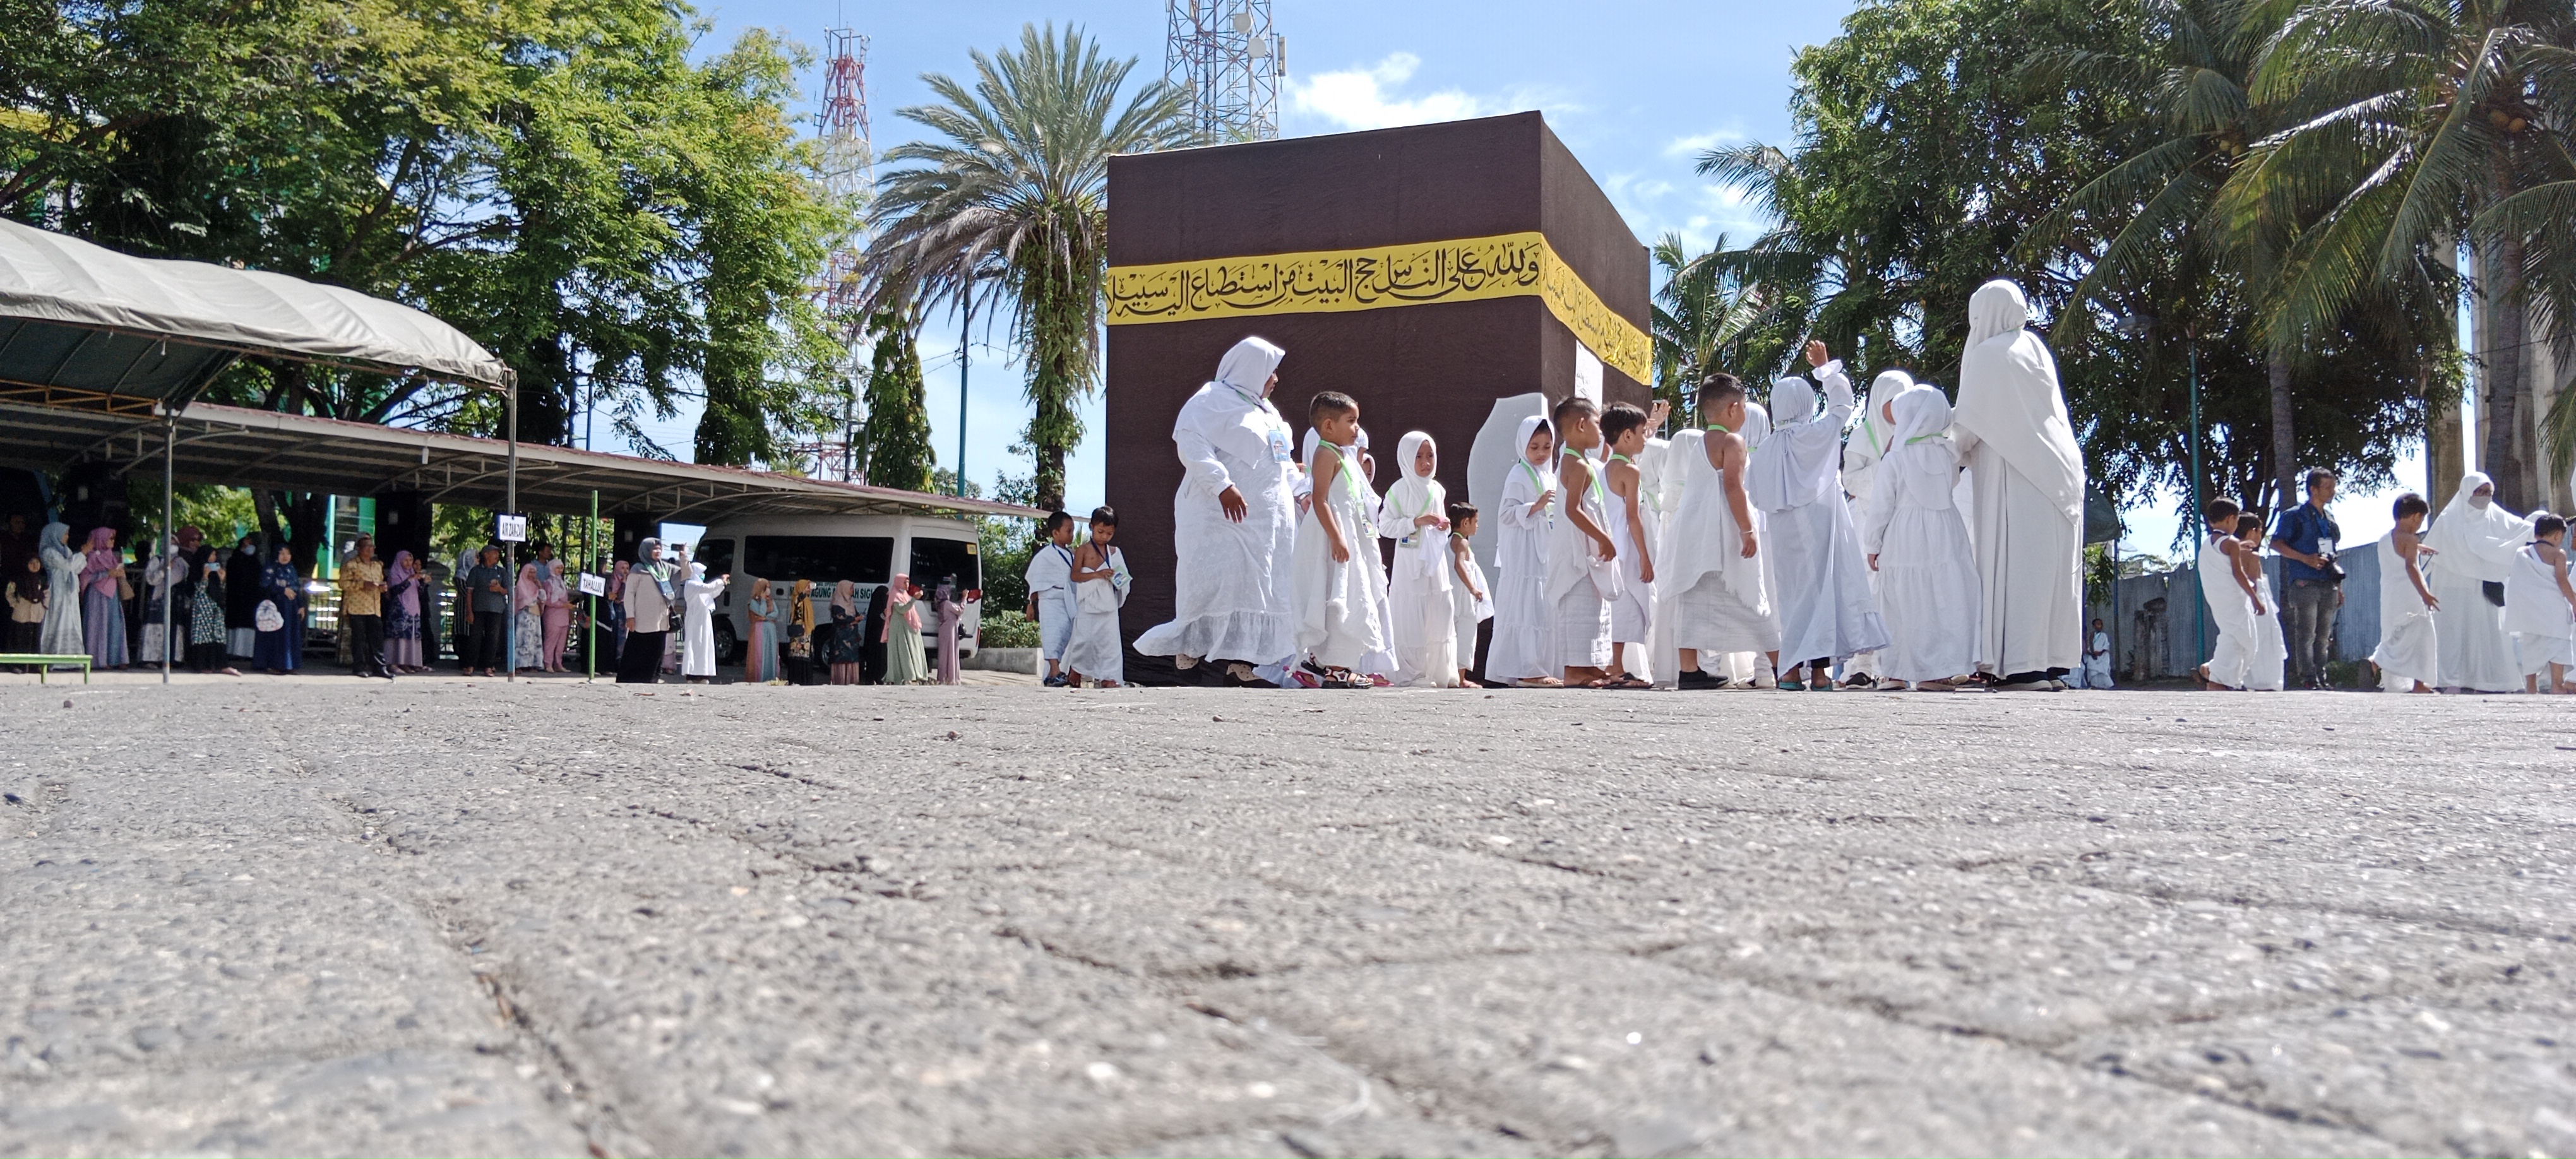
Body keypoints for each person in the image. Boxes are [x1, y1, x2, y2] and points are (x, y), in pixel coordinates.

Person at [1135, 336, 1299, 686]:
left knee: (1256, 587)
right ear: (1250, 369)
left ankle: (1241, 665)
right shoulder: (1210, 400)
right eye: (1270, 371)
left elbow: (1282, 463)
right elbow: (1192, 445)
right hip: (1218, 517)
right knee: (1213, 584)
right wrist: (1222, 485)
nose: (1275, 379)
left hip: (1265, 525)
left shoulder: (1270, 414)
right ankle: (1188, 658)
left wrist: (1301, 493)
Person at [1952, 280, 2085, 691]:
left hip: (2020, 477)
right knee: (2051, 572)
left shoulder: (1990, 356)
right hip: (2058, 474)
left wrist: (1929, 451)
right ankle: (2049, 665)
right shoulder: (2035, 350)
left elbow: (1967, 427)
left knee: (2020, 569)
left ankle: (2022, 667)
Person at [1748, 344, 1890, 691]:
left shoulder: (1764, 448)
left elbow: (1755, 491)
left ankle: (1791, 672)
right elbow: (1843, 405)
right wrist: (1826, 370)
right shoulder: (1818, 435)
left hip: (1783, 535)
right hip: (1821, 529)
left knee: (1792, 598)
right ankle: (1820, 673)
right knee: (1822, 596)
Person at [1854, 383, 1981, 692]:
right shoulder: (1948, 454)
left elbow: (1882, 507)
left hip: (1904, 536)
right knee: (1939, 602)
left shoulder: (1895, 459)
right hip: (1945, 533)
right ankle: (1933, 673)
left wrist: (1872, 544)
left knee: (1898, 604)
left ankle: (1894, 672)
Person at [1668, 374, 1775, 688]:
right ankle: (1783, 666)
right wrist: (1747, 530)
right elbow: (1733, 487)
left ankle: (1689, 670)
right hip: (1722, 530)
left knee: (1694, 599)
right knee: (1749, 594)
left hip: (1694, 529)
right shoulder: (1733, 442)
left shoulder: (1699, 442)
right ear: (1733, 408)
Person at [1288, 391, 1388, 688]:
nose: (1357, 428)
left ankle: (1325, 661)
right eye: (1351, 421)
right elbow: (1320, 500)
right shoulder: (1326, 454)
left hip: (1350, 537)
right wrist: (1336, 538)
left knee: (1347, 592)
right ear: (1329, 426)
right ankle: (1338, 667)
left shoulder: (1344, 455)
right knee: (1340, 595)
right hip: (1334, 539)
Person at [2421, 471, 2530, 692]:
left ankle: (2488, 682)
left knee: (2486, 636)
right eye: (2479, 492)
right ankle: (2448, 681)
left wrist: (2551, 527)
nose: (2484, 496)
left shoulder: (2497, 517)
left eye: (2488, 492)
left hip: (2483, 589)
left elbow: (2525, 530)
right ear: (2466, 492)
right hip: (2452, 589)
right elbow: (2427, 556)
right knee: (2452, 637)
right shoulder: (2448, 521)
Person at [1544, 397, 1619, 688]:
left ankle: (1589, 666)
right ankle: (1575, 670)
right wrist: (1603, 538)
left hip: (1585, 549)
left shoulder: (1579, 461)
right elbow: (1572, 509)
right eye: (1597, 424)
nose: (1601, 432)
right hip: (1577, 550)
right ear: (1580, 425)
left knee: (1592, 607)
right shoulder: (1577, 465)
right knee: (1579, 606)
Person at [1375, 434, 1458, 688]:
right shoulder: (1399, 490)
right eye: (1419, 457)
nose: (1426, 463)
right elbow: (1385, 526)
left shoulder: (1437, 489)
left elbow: (1441, 521)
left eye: (1430, 455)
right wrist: (1414, 522)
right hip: (1410, 564)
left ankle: (1441, 671)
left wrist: (1443, 525)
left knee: (1440, 611)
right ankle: (1411, 673)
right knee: (1412, 616)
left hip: (1434, 561)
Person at [1488, 414, 1560, 687]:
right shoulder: (1518, 474)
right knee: (1527, 607)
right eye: (1535, 447)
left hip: (1545, 550)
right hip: (1524, 554)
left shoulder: (1549, 476)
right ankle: (1527, 668)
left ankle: (1541, 665)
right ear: (1523, 446)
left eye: (1547, 447)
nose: (1541, 453)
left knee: (1542, 607)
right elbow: (1505, 514)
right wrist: (1535, 506)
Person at [1601, 403, 1661, 688]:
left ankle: (1616, 666)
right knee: (1628, 607)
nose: (1645, 438)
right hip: (1626, 548)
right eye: (1641, 433)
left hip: (1611, 547)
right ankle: (1615, 667)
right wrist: (1645, 557)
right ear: (1626, 436)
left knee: (1620, 608)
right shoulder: (1629, 471)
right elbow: (1633, 517)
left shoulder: (1604, 469)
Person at [2268, 469, 2345, 688]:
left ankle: (2322, 675)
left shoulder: (2329, 519)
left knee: (2324, 635)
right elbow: (2276, 544)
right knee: (2306, 632)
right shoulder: (2294, 516)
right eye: (2328, 487)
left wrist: (2339, 586)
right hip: (2304, 582)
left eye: (2333, 487)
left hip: (2328, 582)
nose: (2332, 491)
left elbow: (2331, 552)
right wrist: (2305, 559)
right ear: (2313, 489)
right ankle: (2308, 677)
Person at [2372, 494, 2441, 694]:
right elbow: (2412, 567)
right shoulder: (2410, 539)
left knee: (2396, 635)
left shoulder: (2385, 539)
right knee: (2422, 637)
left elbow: (2399, 549)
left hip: (2390, 595)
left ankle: (2376, 664)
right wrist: (2425, 594)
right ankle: (2377, 663)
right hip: (2410, 593)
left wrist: (2417, 548)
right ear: (2416, 517)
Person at [2196, 498, 2262, 691]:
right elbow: (2238, 573)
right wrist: (2255, 598)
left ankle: (2216, 672)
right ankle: (2217, 677)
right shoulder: (2232, 543)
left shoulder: (2207, 543)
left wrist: (2240, 547)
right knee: (2245, 640)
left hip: (2217, 599)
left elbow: (2222, 555)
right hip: (2234, 599)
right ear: (2231, 519)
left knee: (2233, 635)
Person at [2506, 512, 2575, 694]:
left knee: (2531, 646)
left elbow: (2518, 583)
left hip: (2529, 611)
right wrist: (2574, 602)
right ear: (2558, 535)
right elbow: (2562, 581)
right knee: (2559, 644)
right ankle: (2556, 685)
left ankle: (2531, 686)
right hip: (2553, 609)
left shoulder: (2522, 553)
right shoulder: (2558, 554)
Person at [1063, 509, 1131, 688]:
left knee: (1109, 643)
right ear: (1091, 527)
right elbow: (1075, 576)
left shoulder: (1115, 552)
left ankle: (1109, 677)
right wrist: (1097, 575)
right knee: (1084, 640)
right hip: (1088, 604)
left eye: (1109, 533)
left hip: (1108, 606)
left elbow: (1124, 580)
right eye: (1101, 532)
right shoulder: (1083, 550)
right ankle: (1076, 669)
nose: (1105, 537)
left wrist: (1114, 577)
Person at [1026, 511, 1078, 686]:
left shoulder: (1072, 555)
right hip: (1050, 600)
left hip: (1068, 599)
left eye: (1073, 531)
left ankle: (1055, 675)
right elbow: (1035, 580)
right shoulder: (1045, 555)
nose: (1071, 535)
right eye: (1068, 531)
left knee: (1066, 635)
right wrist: (1031, 604)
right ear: (1056, 533)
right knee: (1052, 634)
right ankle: (1054, 670)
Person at [2236, 514, 2287, 691]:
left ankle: (2245, 678)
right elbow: (2254, 582)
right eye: (2259, 531)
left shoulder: (2231, 554)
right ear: (2252, 532)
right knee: (2266, 643)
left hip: (2239, 605)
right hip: (2258, 603)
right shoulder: (2252, 556)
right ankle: (2266, 681)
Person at [1445, 501, 1493, 687]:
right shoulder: (1462, 542)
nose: (1478, 526)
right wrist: (1473, 588)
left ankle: (1454, 675)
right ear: (1466, 523)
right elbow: (1460, 565)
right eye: (1476, 522)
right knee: (1465, 631)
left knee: (1454, 631)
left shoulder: (1452, 540)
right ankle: (1461, 677)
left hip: (1454, 594)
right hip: (1463, 596)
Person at [615, 540, 674, 683]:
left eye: (660, 549)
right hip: (642, 621)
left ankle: (651, 680)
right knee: (637, 652)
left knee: (655, 654)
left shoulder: (664, 569)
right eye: (654, 549)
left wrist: (684, 556)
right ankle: (629, 680)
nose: (658, 552)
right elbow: (629, 594)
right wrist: (630, 616)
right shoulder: (638, 569)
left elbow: (685, 573)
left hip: (661, 621)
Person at [339, 536, 392, 679]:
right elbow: (343, 584)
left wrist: (383, 588)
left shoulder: (377, 566)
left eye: (372, 547)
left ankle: (379, 667)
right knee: (359, 638)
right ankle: (359, 667)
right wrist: (362, 584)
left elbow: (380, 582)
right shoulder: (351, 565)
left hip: (374, 607)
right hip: (357, 607)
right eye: (367, 546)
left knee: (377, 639)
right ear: (359, 549)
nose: (370, 549)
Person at [80, 527, 128, 669]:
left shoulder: (111, 556)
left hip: (112, 595)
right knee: (99, 626)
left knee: (114, 625)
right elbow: (85, 577)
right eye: (110, 538)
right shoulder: (92, 556)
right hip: (97, 595)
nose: (113, 541)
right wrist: (107, 574)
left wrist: (119, 572)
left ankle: (115, 658)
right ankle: (99, 660)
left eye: (114, 538)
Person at [253, 545, 306, 674]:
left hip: (291, 609)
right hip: (275, 608)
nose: (285, 557)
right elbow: (264, 587)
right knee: (276, 636)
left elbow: (297, 588)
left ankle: (289, 665)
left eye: (287, 554)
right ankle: (273, 664)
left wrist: (301, 605)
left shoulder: (291, 569)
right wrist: (282, 590)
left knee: (290, 636)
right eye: (281, 554)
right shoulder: (271, 568)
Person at [184, 541, 234, 675]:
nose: (213, 558)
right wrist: (205, 577)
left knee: (218, 635)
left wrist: (222, 580)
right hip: (202, 609)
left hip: (215, 608)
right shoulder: (195, 571)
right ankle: (202, 665)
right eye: (210, 555)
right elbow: (197, 591)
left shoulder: (216, 573)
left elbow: (220, 592)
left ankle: (221, 664)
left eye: (214, 555)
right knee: (203, 636)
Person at [459, 546, 510, 677]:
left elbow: (509, 590)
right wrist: (469, 611)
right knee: (475, 638)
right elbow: (469, 592)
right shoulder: (476, 571)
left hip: (496, 610)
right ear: (486, 555)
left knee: (493, 639)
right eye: (494, 553)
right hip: (478, 609)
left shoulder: (502, 571)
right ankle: (471, 665)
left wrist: (500, 589)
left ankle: (488, 666)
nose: (497, 556)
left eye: (498, 553)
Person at [36, 523, 83, 659]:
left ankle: (72, 658)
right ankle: (54, 658)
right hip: (57, 590)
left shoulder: (66, 551)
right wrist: (82, 554)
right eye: (65, 534)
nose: (67, 537)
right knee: (58, 620)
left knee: (71, 620)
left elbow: (75, 568)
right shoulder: (48, 552)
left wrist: (82, 557)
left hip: (69, 592)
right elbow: (67, 565)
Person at [681, 561, 726, 682]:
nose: (703, 575)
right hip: (694, 618)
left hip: (704, 618)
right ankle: (691, 674)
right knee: (694, 643)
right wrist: (721, 580)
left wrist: (722, 585)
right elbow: (708, 588)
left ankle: (703, 673)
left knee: (705, 644)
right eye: (701, 573)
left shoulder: (699, 586)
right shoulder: (691, 584)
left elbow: (712, 593)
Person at [885, 575, 931, 685]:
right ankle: (904, 676)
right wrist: (915, 599)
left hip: (908, 628)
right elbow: (902, 609)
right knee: (903, 652)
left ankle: (915, 675)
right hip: (899, 629)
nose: (907, 585)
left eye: (908, 582)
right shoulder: (895, 595)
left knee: (912, 651)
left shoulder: (904, 594)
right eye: (905, 582)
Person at [384, 550, 425, 672]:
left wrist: (424, 583)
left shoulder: (412, 573)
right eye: (406, 560)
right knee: (399, 636)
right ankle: (394, 663)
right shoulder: (395, 573)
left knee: (410, 636)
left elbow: (419, 591)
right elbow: (395, 590)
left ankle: (407, 662)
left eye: (410, 561)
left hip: (413, 609)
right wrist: (409, 579)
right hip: (400, 609)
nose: (408, 563)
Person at [227, 539, 263, 660]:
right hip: (236, 597)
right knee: (236, 624)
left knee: (249, 623)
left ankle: (248, 652)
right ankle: (234, 651)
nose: (249, 547)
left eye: (251, 544)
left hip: (251, 599)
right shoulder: (234, 560)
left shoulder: (256, 562)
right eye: (246, 545)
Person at [744, 578, 782, 683]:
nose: (769, 590)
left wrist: (766, 618)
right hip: (759, 631)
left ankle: (771, 677)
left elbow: (776, 613)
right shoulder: (752, 602)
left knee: (771, 653)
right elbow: (761, 612)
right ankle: (759, 678)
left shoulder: (771, 601)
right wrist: (763, 600)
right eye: (767, 588)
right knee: (760, 654)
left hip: (771, 631)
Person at [9, 556, 45, 659]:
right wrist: (15, 604)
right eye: (31, 563)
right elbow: (9, 592)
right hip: (21, 615)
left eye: (37, 562)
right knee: (20, 640)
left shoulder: (42, 579)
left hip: (36, 615)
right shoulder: (17, 579)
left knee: (34, 641)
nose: (35, 565)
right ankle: (19, 665)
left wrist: (43, 607)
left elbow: (47, 594)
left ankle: (34, 666)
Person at [541, 558, 573, 672]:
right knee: (551, 640)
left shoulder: (561, 582)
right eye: (558, 568)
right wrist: (563, 605)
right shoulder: (548, 583)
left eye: (561, 568)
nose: (560, 570)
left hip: (563, 615)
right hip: (553, 616)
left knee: (561, 642)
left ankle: (558, 663)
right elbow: (548, 600)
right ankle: (548, 663)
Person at [785, 577, 818, 685]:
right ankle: (797, 680)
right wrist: (803, 593)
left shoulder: (807, 600)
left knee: (806, 656)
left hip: (807, 632)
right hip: (799, 633)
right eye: (807, 587)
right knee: (798, 656)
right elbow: (798, 603)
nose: (810, 589)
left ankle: (806, 680)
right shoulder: (797, 598)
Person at [824, 596, 863, 686]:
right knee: (840, 658)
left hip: (852, 639)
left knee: (851, 659)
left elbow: (855, 615)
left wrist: (859, 617)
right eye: (850, 588)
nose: (852, 591)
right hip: (841, 638)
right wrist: (853, 620)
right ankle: (840, 681)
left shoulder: (851, 602)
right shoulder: (837, 603)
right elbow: (840, 618)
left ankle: (851, 681)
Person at [860, 580, 892, 684]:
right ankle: (876, 677)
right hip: (876, 638)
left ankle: (880, 678)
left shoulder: (879, 609)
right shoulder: (876, 613)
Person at [934, 578, 963, 685]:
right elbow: (960, 610)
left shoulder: (939, 604)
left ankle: (942, 677)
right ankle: (951, 677)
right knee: (951, 652)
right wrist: (964, 599)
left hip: (943, 631)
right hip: (950, 631)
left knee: (943, 654)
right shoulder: (947, 603)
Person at [2078, 617, 2114, 689]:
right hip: (2093, 655)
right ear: (2094, 626)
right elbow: (2090, 644)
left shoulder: (2104, 635)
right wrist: (2093, 653)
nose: (2099, 626)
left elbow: (2106, 645)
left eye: (2100, 624)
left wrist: (2101, 652)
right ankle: (2094, 685)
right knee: (2093, 670)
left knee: (2103, 671)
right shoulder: (2092, 635)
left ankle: (2105, 685)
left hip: (2102, 656)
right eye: (2097, 624)